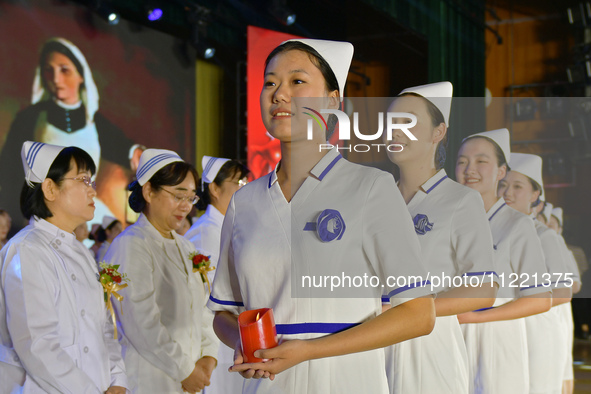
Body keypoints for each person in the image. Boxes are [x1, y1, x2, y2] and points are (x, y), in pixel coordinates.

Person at [208, 38, 435, 394]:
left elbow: (420, 314)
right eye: (270, 82)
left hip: (347, 382)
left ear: (332, 102)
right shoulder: (245, 202)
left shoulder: (371, 187)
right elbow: (224, 312)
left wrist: (309, 350)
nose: (279, 94)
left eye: (297, 81)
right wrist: (240, 341)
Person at [383, 82, 498, 394]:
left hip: (428, 348)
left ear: (438, 133)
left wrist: (409, 309)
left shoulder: (460, 200)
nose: (394, 130)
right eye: (391, 122)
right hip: (370, 342)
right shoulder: (375, 199)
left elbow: (483, 290)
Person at [0, 141, 127, 393]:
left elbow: (104, 327)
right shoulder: (27, 250)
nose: (93, 191)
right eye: (83, 180)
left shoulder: (80, 250)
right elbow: (37, 347)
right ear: (49, 188)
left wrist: (118, 381)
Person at [104, 148, 218, 393]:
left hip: (189, 379)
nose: (186, 206)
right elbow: (141, 322)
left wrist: (208, 355)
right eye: (178, 196)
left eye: (191, 198)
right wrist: (185, 370)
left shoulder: (186, 247)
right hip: (149, 379)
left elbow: (203, 308)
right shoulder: (132, 245)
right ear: (148, 191)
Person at [0, 37, 143, 230]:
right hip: (46, 213)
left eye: (64, 70)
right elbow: (9, 169)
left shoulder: (95, 121)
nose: (56, 79)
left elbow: (122, 146)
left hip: (85, 212)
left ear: (81, 75)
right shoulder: (30, 118)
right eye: (49, 71)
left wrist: (136, 152)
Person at [454, 129, 552, 394]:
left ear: (501, 172)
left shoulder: (516, 224)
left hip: (496, 341)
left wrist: (473, 317)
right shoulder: (447, 220)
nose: (469, 169)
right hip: (449, 337)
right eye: (462, 161)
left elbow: (540, 299)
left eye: (481, 161)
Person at [498, 153, 572, 394]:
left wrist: (526, 302)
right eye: (503, 185)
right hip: (502, 329)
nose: (507, 192)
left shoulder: (544, 235)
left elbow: (564, 292)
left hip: (536, 331)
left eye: (517, 186)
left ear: (535, 196)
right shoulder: (493, 229)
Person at [184, 155, 249, 394]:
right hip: (216, 347)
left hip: (234, 339)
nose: (245, 189)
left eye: (245, 183)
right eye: (238, 183)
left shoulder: (229, 227)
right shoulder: (204, 233)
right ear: (214, 188)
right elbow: (202, 298)